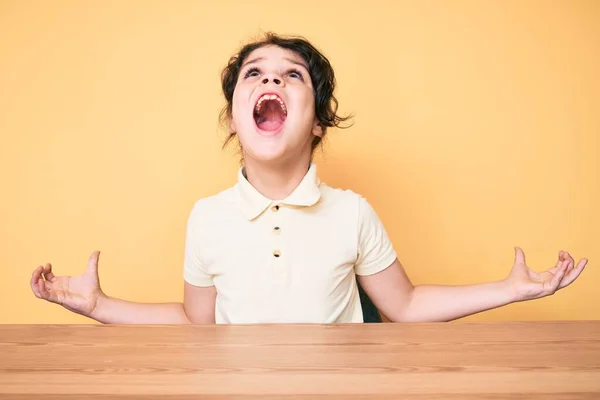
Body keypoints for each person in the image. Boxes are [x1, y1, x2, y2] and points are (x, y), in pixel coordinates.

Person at [30, 32, 588, 324]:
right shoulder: (208, 218)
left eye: (291, 75)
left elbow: (407, 306)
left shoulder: (352, 212)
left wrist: (511, 290)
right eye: (256, 73)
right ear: (234, 117)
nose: (271, 76)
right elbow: (196, 324)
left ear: (317, 122)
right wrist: (98, 305)